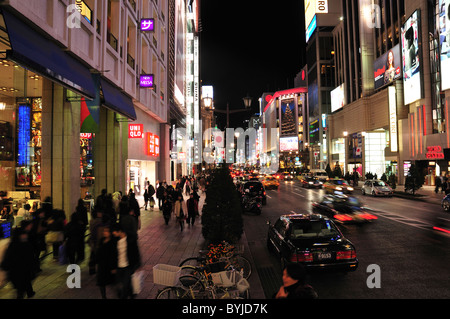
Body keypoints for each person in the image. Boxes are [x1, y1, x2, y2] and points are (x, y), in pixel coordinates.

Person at [1, 227, 37, 299]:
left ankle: (28, 293)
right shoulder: (15, 245)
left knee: (23, 283)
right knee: (22, 285)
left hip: (24, 269)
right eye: (23, 234)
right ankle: (26, 293)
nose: (25, 236)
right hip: (17, 270)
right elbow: (8, 257)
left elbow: (31, 257)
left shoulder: (25, 244)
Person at [111, 223, 141, 299]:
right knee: (121, 286)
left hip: (128, 266)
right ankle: (131, 294)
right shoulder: (115, 240)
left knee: (124, 286)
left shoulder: (130, 239)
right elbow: (113, 255)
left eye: (114, 231)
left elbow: (136, 253)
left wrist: (136, 264)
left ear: (120, 231)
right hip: (119, 267)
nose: (113, 233)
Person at [95, 225, 116, 299]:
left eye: (107, 231)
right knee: (101, 282)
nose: (105, 232)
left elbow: (113, 255)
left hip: (109, 265)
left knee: (112, 282)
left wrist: (113, 267)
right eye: (104, 231)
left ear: (110, 233)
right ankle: (103, 296)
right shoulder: (102, 240)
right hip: (102, 264)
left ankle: (118, 294)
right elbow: (98, 251)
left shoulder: (113, 242)